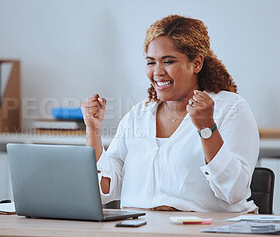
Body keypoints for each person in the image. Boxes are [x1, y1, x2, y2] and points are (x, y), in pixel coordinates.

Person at [80, 15, 259, 213]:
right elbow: (104, 190)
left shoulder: (230, 108)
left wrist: (207, 127)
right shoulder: (138, 115)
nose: (158, 72)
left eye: (168, 61)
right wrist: (92, 131)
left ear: (197, 63)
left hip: (203, 230)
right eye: (151, 62)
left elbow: (235, 192)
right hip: (138, 229)